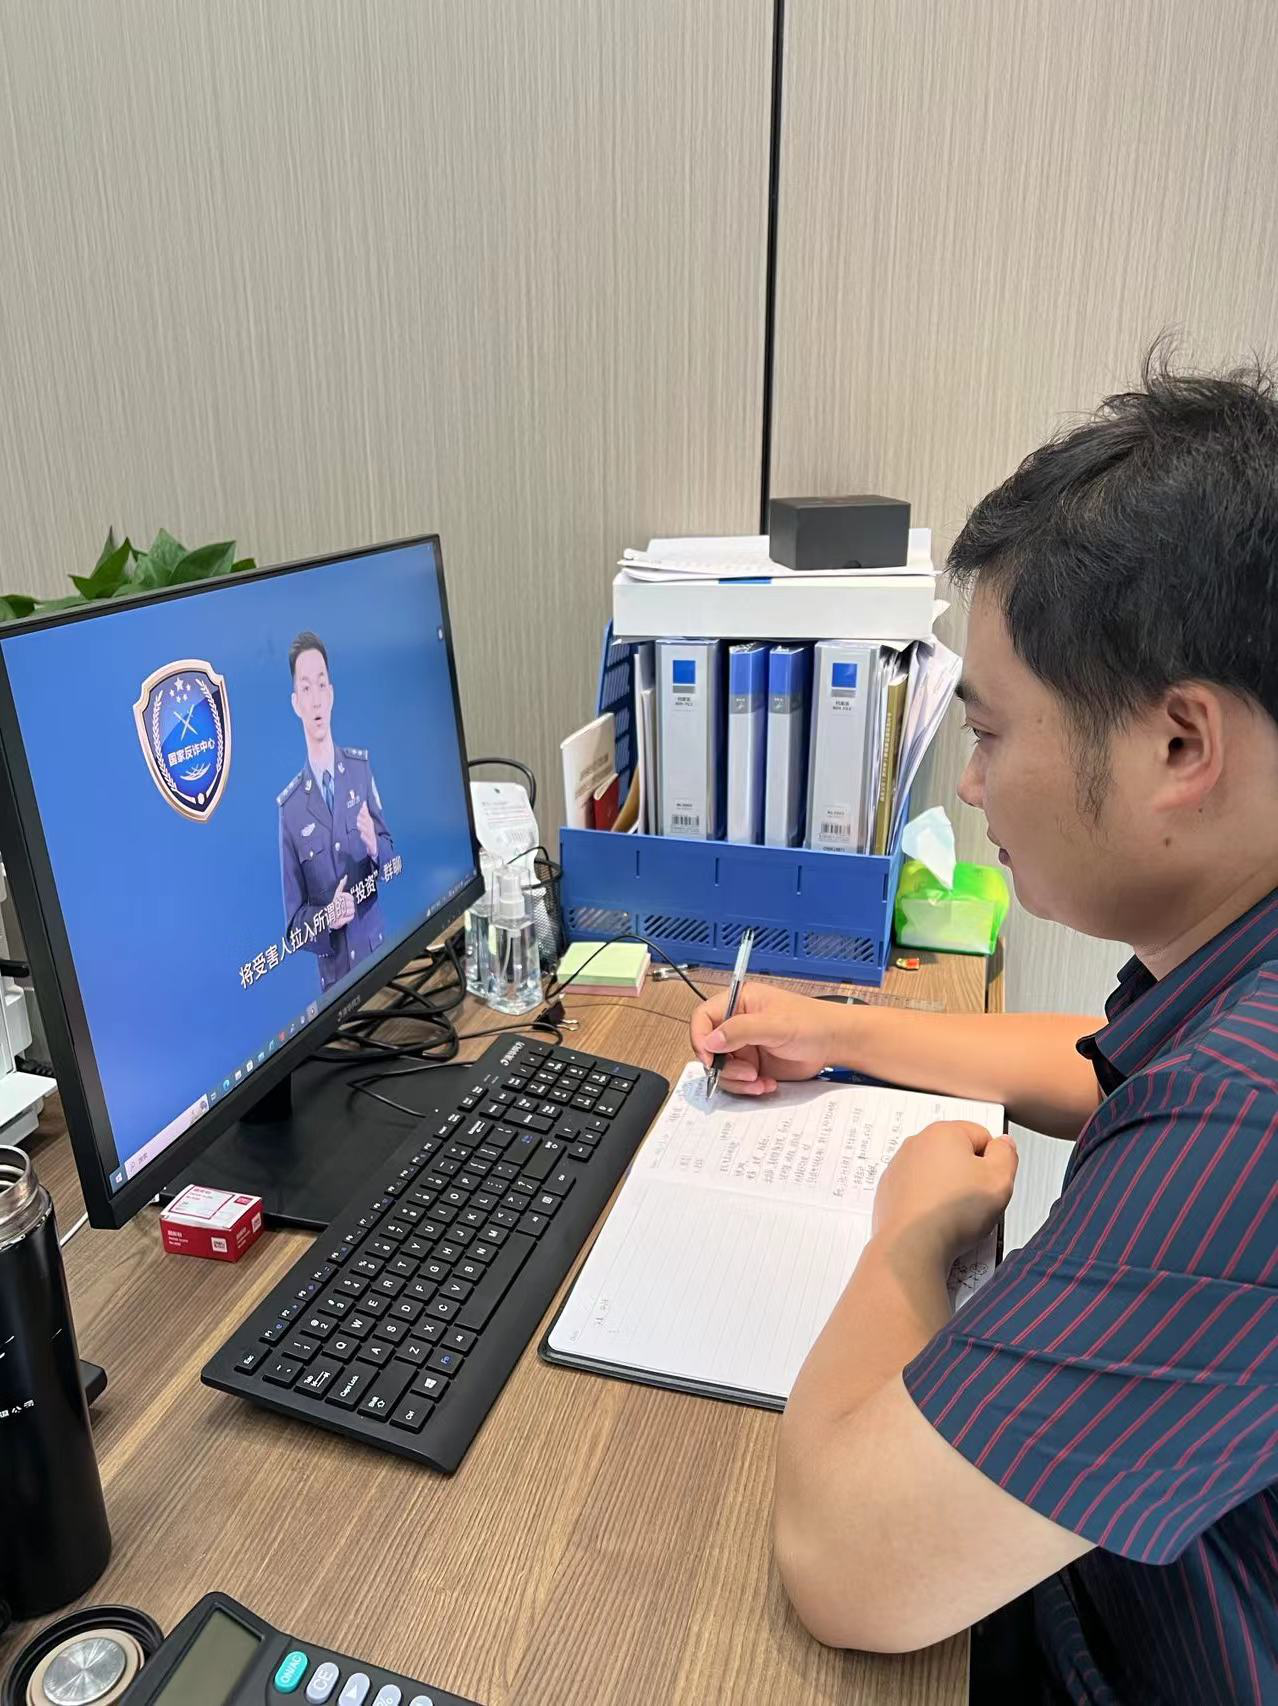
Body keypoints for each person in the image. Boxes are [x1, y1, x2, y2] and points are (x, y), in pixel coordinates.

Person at [692, 350, 1278, 1704]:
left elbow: (848, 1561)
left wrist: (912, 1230)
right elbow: (1119, 1071)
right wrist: (842, 1030)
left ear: (1179, 746)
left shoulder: (1249, 1127)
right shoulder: (1232, 988)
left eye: (994, 732)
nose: (968, 784)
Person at [278, 630, 396, 992]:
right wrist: (327, 918)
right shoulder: (290, 810)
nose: (315, 700)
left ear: (331, 693)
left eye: (321, 685)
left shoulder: (360, 770)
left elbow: (394, 861)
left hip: (383, 969)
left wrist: (375, 847)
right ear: (296, 703)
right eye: (306, 688)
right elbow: (293, 929)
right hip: (337, 990)